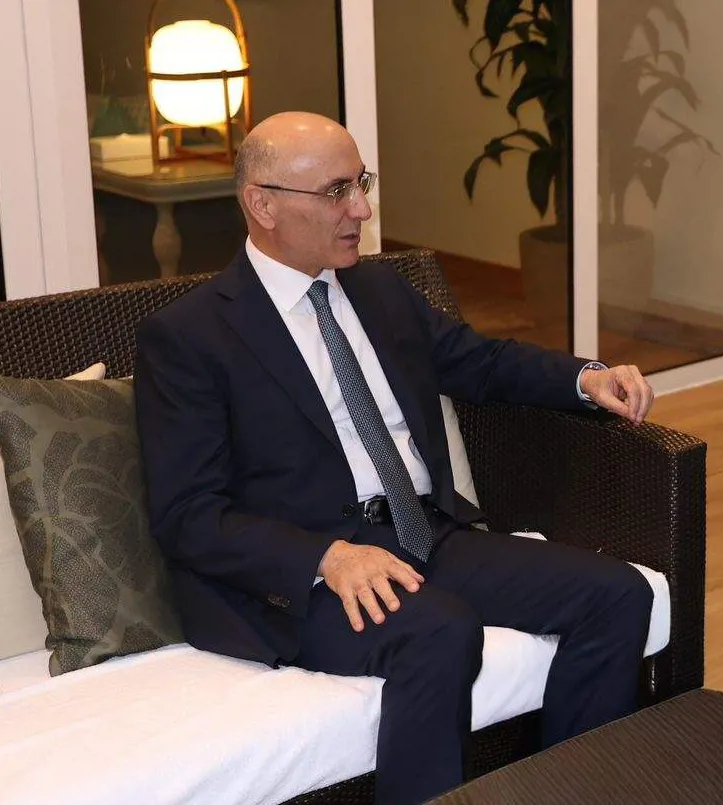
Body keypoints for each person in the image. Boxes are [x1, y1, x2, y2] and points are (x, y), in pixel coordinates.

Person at [135, 112, 657, 805]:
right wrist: (327, 557)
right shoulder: (191, 335)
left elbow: (479, 362)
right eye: (337, 191)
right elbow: (188, 515)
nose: (362, 209)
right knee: (441, 632)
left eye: (362, 183)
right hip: (305, 576)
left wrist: (585, 379)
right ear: (262, 205)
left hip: (420, 532)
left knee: (619, 594)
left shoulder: (377, 289)